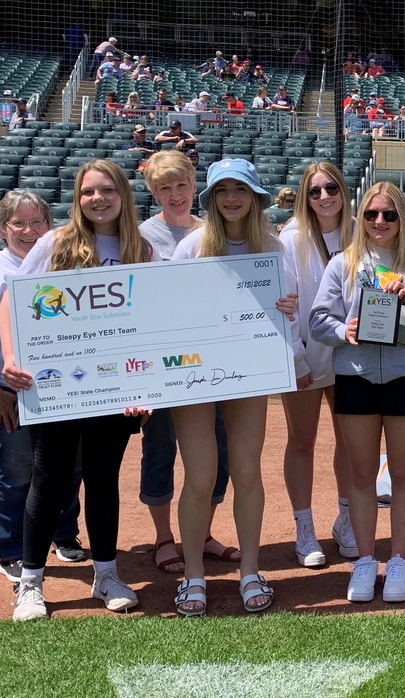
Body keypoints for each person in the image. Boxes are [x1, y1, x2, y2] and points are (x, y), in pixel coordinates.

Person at [0, 160, 155, 621]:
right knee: (48, 480)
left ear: (122, 194)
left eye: (107, 190)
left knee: (104, 480)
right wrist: (10, 357)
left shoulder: (139, 248)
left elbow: (155, 322)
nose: (98, 199)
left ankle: (106, 573)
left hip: (117, 389)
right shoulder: (56, 241)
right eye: (88, 192)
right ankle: (31, 582)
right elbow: (12, 300)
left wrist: (147, 388)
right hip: (58, 388)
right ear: (77, 197)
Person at [167, 158, 308, 616]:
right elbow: (169, 313)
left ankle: (250, 569)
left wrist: (288, 307)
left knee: (247, 471)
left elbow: (286, 308)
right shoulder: (191, 247)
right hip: (193, 372)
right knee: (201, 475)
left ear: (255, 197)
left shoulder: (273, 246)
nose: (232, 198)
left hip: (250, 370)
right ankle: (193, 575)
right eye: (223, 189)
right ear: (210, 197)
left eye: (241, 190)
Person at [309, 182, 405, 604]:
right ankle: (365, 560)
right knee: (361, 475)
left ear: (402, 218)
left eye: (389, 215)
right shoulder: (343, 264)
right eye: (371, 214)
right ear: (361, 216)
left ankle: (398, 562)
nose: (379, 222)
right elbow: (318, 320)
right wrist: (343, 330)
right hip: (355, 377)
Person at [0, 190, 88, 583]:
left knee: (69, 465)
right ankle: (10, 548)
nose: (29, 231)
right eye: (19, 223)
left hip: (64, 389)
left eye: (38, 222)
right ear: (2, 228)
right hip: (8, 392)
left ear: (50, 226)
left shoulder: (65, 263)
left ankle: (63, 535)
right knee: (17, 469)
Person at [136, 151, 239, 576]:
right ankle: (163, 537)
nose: (175, 195)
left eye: (181, 186)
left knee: (217, 451)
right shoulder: (142, 235)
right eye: (165, 188)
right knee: (160, 448)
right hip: (163, 362)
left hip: (210, 362)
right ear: (154, 192)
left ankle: (203, 533)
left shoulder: (212, 230)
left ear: (193, 186)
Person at [278, 163, 356, 567]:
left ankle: (345, 519)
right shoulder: (290, 239)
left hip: (350, 355)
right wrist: (294, 356)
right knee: (302, 441)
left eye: (331, 188)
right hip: (307, 355)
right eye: (315, 191)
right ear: (304, 198)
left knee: (350, 441)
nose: (324, 197)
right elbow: (285, 304)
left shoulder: (362, 230)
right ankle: (304, 526)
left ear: (343, 190)